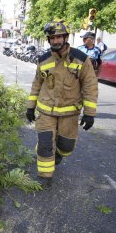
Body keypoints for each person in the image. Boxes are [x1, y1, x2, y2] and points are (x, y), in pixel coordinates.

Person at [26, 19, 98, 188]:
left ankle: (57, 154)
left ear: (65, 38)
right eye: (52, 37)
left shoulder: (81, 59)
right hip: (46, 112)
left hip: (69, 113)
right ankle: (45, 177)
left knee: (66, 147)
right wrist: (30, 107)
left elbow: (90, 85)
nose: (56, 40)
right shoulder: (43, 60)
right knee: (45, 144)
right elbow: (37, 84)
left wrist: (90, 113)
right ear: (49, 39)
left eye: (59, 37)